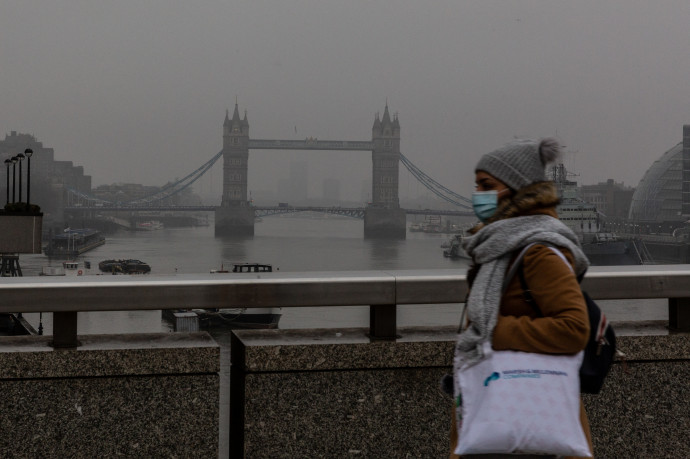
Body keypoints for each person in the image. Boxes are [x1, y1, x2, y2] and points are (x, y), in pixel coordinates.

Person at [449, 138, 593, 458]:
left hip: (531, 428)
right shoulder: (499, 246)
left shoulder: (539, 251)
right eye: (476, 185)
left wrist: (493, 332)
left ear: (516, 189)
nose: (478, 195)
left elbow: (574, 328)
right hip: (499, 419)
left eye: (487, 185)